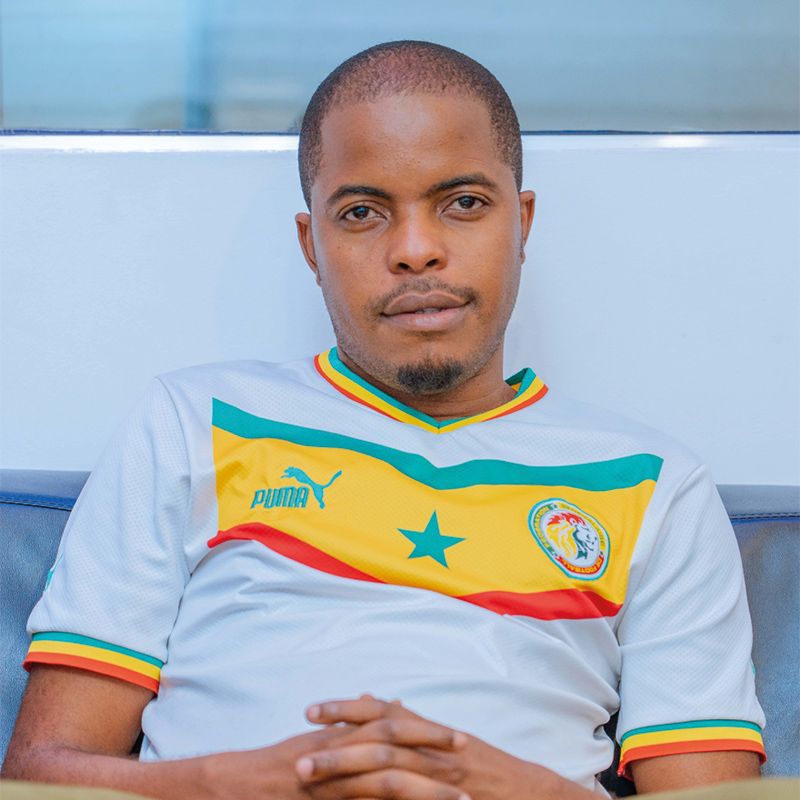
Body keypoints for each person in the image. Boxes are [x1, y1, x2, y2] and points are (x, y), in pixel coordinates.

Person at [2, 41, 766, 799]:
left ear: (522, 223)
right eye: (363, 212)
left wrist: (492, 783)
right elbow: (40, 777)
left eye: (463, 203)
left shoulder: (655, 485)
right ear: (312, 245)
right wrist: (247, 781)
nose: (415, 251)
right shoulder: (193, 423)